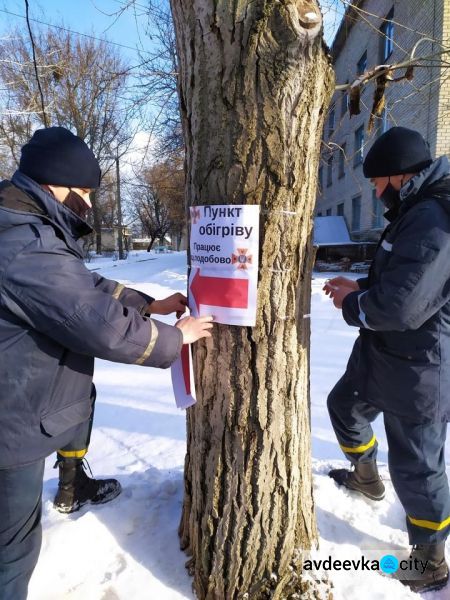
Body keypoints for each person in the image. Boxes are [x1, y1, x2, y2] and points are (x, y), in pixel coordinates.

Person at [0, 127, 213, 600]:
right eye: (85, 193)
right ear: (55, 183)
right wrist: (174, 338)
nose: (90, 205)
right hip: (9, 425)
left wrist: (146, 304)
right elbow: (93, 321)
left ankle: (73, 484)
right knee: (11, 551)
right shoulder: (26, 244)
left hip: (20, 404)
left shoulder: (26, 227)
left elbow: (82, 284)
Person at [323, 126, 450, 594]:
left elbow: (402, 306)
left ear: (400, 176)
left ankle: (431, 558)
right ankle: (365, 478)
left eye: (378, 183)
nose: (375, 193)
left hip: (421, 367)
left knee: (417, 464)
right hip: (385, 354)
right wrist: (360, 288)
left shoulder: (435, 219)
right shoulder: (414, 211)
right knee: (344, 407)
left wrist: (353, 305)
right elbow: (398, 281)